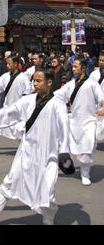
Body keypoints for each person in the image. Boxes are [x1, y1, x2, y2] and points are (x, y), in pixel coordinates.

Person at [0, 66, 75, 226]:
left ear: (49, 82)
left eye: (39, 81)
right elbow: (7, 114)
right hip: (26, 153)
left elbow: (65, 131)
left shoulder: (58, 105)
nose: (35, 84)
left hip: (48, 157)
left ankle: (48, 218)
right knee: (8, 185)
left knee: (47, 194)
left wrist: (64, 154)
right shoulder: (27, 100)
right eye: (34, 80)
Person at [54, 56, 104, 186]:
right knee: (64, 144)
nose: (73, 69)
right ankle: (64, 165)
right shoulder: (71, 84)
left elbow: (101, 99)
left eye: (76, 66)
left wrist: (102, 109)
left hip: (88, 121)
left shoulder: (92, 84)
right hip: (73, 121)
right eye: (73, 66)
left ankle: (85, 174)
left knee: (87, 148)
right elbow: (57, 96)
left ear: (84, 68)